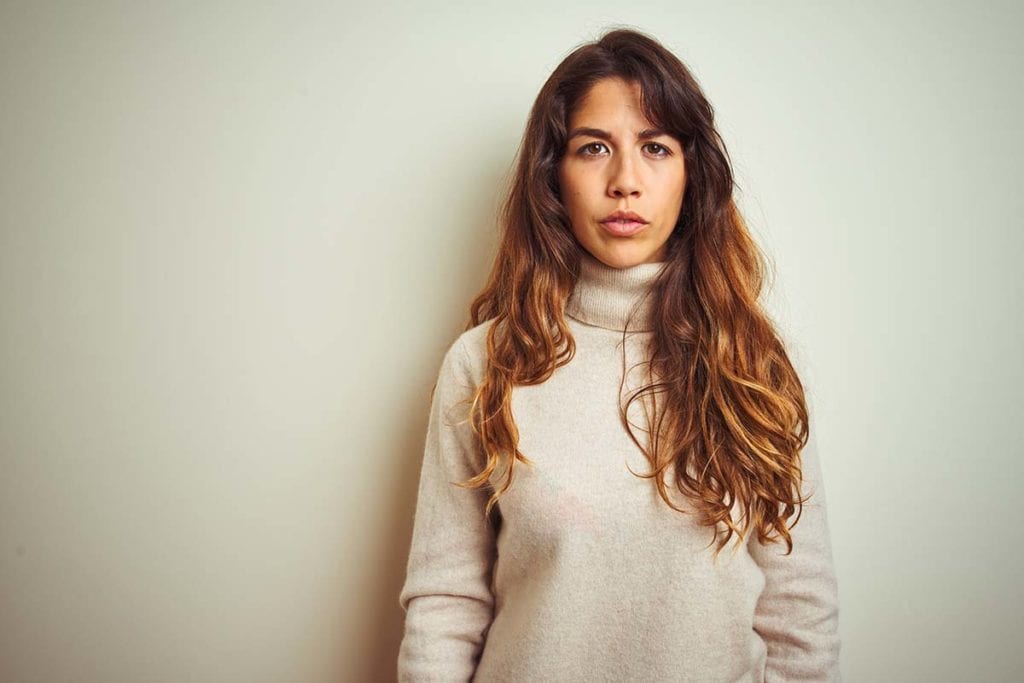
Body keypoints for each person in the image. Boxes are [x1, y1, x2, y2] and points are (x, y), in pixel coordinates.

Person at [397, 27, 841, 682]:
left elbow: (800, 615)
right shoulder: (485, 363)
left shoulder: (753, 363)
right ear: (554, 175)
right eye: (593, 147)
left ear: (692, 175)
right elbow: (445, 604)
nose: (625, 181)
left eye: (655, 147)